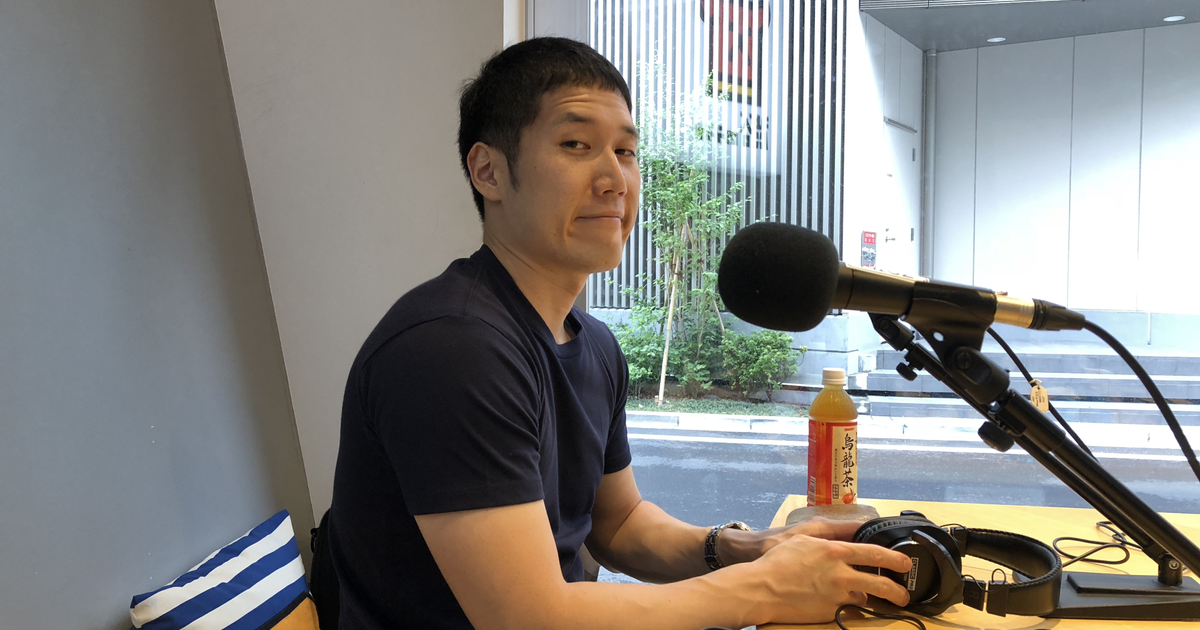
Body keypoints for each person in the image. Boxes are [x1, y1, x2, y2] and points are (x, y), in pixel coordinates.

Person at [327, 36, 912, 630]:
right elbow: (528, 617)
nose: (615, 179)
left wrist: (746, 549)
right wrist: (766, 587)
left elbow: (619, 524)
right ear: (489, 172)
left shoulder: (594, 344)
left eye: (626, 151)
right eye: (576, 145)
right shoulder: (451, 347)